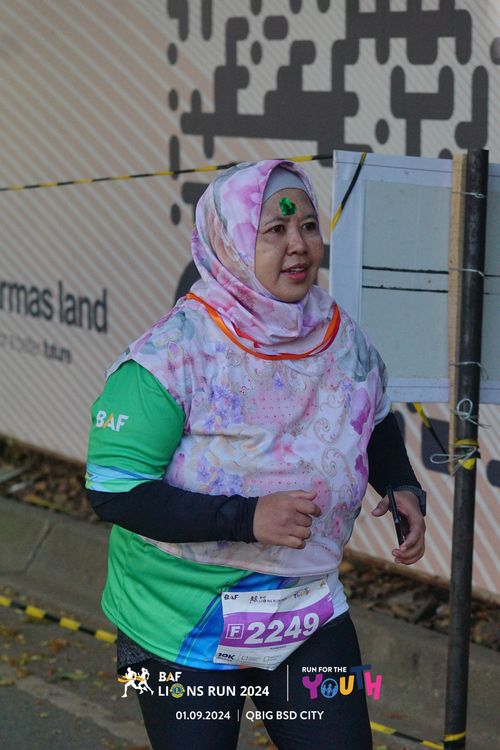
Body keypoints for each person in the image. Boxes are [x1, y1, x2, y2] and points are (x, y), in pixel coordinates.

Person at [86, 160, 426, 750]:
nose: (299, 245)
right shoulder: (170, 354)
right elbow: (113, 490)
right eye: (274, 230)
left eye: (309, 226)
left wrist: (401, 485)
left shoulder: (340, 334)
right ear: (232, 243)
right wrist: (246, 517)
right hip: (176, 623)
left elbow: (370, 416)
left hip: (302, 610)